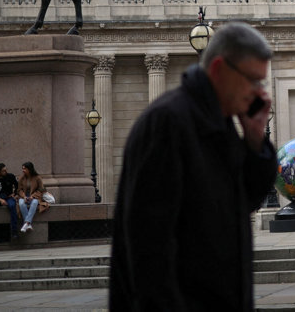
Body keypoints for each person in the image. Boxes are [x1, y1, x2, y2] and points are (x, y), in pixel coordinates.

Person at [109, 22, 276, 310]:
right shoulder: (167, 123)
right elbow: (148, 247)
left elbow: (246, 200)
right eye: (253, 80)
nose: (259, 93)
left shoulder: (220, 124)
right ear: (220, 70)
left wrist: (255, 139)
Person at [16, 161, 46, 234]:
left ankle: (26, 223)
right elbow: (19, 190)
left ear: (30, 169)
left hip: (34, 197)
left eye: (25, 169)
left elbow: (41, 189)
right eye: (22, 169)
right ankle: (28, 224)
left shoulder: (37, 178)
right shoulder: (21, 178)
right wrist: (24, 196)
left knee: (35, 203)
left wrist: (33, 196)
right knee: (21, 204)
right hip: (23, 197)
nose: (23, 170)